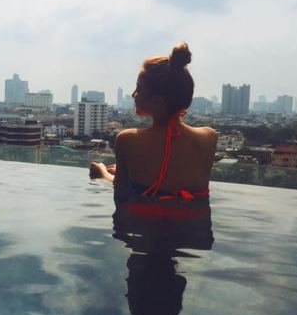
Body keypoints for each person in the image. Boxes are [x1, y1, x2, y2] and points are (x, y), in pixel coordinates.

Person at [90, 43, 217, 203]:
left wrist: (103, 172)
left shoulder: (127, 140)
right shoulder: (208, 137)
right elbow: (173, 178)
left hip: (142, 218)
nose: (133, 94)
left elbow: (120, 189)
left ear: (157, 101)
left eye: (138, 89)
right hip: (196, 219)